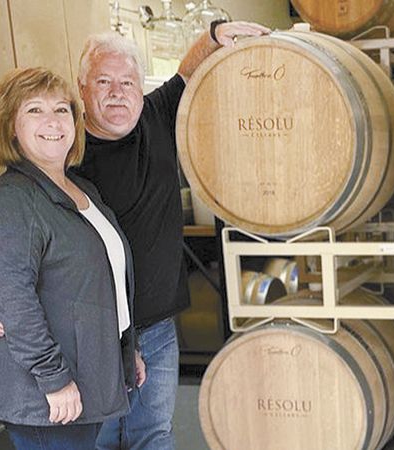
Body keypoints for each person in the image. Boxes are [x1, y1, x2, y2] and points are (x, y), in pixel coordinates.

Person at [72, 20, 270, 449]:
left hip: (158, 329)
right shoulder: (66, 153)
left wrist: (215, 34)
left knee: (154, 434)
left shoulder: (156, 116)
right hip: (95, 335)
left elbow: (187, 71)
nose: (117, 92)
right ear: (82, 87)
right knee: (98, 440)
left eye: (128, 81)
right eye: (104, 81)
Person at [0, 67, 145, 450]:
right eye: (34, 111)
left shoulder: (81, 189)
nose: (52, 121)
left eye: (61, 110)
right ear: (12, 128)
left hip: (86, 376)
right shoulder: (11, 198)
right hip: (47, 393)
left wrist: (127, 349)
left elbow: (102, 281)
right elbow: (14, 300)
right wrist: (53, 378)